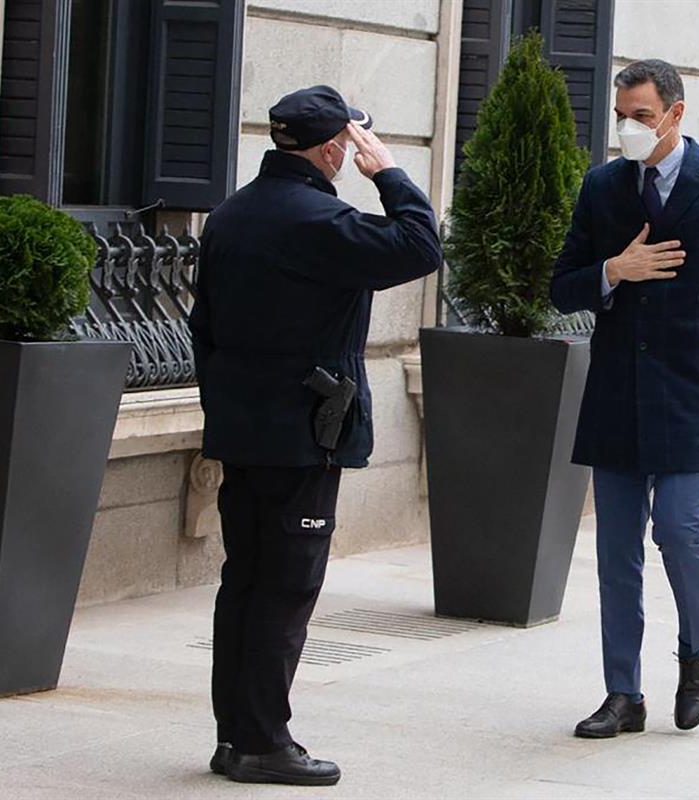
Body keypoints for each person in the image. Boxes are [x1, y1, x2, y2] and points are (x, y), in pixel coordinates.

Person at [189, 85, 442, 785]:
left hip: (243, 431)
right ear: (335, 149)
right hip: (302, 435)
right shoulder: (319, 221)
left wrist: (231, 408)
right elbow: (421, 244)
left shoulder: (231, 216)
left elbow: (201, 329)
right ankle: (263, 740)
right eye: (351, 144)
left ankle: (235, 736)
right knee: (286, 587)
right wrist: (387, 171)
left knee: (244, 580)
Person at [550, 60, 699, 738]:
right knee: (616, 549)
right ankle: (623, 693)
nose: (628, 127)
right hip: (619, 393)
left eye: (642, 116)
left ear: (676, 115)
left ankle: (695, 658)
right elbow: (562, 286)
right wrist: (611, 271)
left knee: (679, 530)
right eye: (621, 114)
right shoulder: (602, 187)